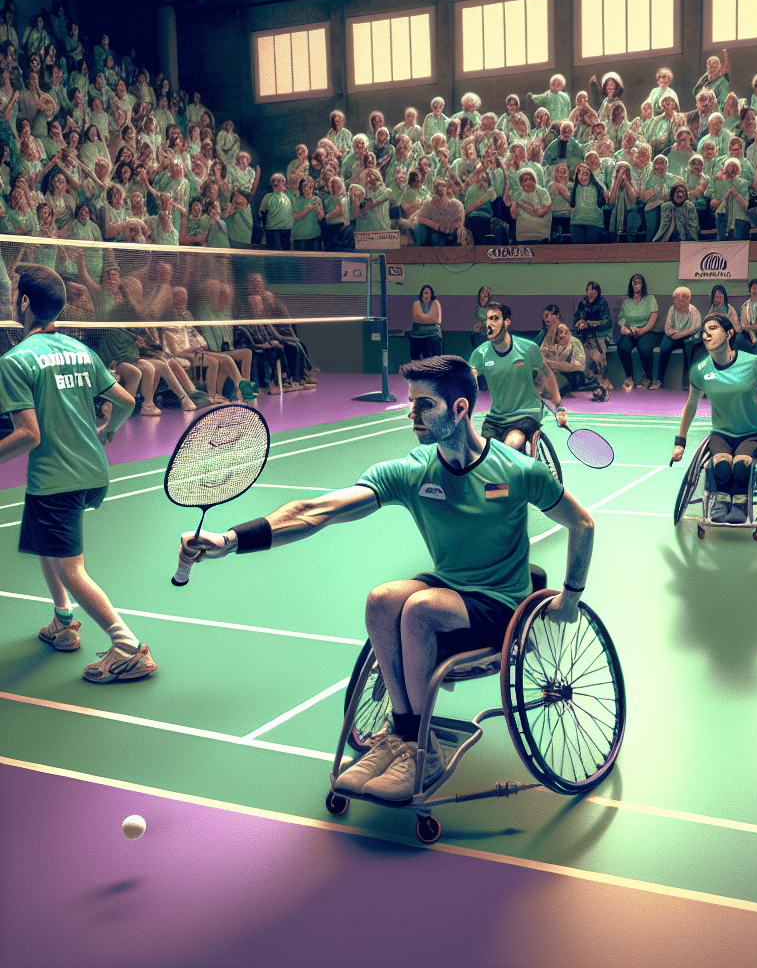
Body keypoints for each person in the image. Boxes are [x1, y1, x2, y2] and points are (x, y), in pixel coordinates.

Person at [180, 355, 593, 802]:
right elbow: (314, 512)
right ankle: (404, 734)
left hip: (503, 603)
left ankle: (421, 750)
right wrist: (230, 540)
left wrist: (570, 597)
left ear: (459, 409)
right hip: (448, 584)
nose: (411, 414)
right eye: (410, 403)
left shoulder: (519, 471)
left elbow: (582, 524)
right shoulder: (414, 470)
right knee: (381, 599)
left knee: (419, 609)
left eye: (424, 405)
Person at [0, 264, 156, 684]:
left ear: (26, 302)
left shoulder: (15, 361)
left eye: (16, 292)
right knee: (47, 545)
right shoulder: (78, 350)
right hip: (90, 471)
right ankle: (64, 621)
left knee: (72, 566)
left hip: (57, 476)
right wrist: (110, 430)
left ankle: (127, 647)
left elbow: (28, 435)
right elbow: (124, 400)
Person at [670, 313, 757, 524]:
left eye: (712, 328)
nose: (706, 333)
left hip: (752, 432)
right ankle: (721, 501)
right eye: (704, 330)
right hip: (721, 433)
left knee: (741, 466)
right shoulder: (700, 371)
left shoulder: (753, 363)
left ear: (729, 333)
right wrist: (680, 442)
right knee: (721, 466)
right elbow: (691, 405)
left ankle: (740, 503)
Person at [469, 302, 567, 452]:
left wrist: (559, 406)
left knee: (511, 443)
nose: (489, 324)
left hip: (526, 414)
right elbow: (467, 381)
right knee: (483, 454)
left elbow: (547, 374)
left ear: (507, 323)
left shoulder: (527, 348)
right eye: (488, 319)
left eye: (495, 318)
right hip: (496, 417)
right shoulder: (480, 354)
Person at [653, 287, 702, 391]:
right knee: (664, 347)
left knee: (690, 350)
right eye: (676, 299)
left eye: (683, 298)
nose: (679, 301)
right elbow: (667, 330)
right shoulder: (672, 309)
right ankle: (658, 381)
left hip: (689, 338)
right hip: (673, 337)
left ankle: (687, 384)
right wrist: (675, 334)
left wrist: (677, 334)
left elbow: (695, 328)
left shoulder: (694, 311)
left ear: (688, 299)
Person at [617, 273, 659, 391]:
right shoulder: (627, 302)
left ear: (643, 285)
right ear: (631, 286)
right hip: (631, 332)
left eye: (639, 282)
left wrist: (642, 330)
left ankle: (648, 377)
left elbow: (652, 319)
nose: (636, 284)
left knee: (644, 348)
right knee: (623, 346)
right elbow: (622, 319)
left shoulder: (650, 299)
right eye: (634, 282)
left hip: (647, 331)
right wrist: (624, 328)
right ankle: (629, 377)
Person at [574, 280, 613, 394]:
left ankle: (601, 380)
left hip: (599, 336)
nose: (591, 293)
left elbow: (607, 322)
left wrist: (592, 323)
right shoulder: (583, 304)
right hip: (584, 336)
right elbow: (577, 319)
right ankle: (585, 381)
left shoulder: (602, 303)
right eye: (589, 290)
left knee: (600, 360)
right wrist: (580, 323)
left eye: (594, 291)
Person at [408, 285, 442, 360]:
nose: (427, 294)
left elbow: (437, 320)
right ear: (422, 294)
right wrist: (430, 318)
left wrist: (423, 319)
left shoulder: (435, 303)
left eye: (429, 292)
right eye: (425, 292)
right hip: (418, 334)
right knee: (415, 354)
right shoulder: (417, 304)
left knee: (435, 355)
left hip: (433, 334)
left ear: (432, 294)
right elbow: (417, 319)